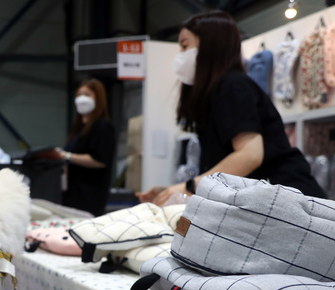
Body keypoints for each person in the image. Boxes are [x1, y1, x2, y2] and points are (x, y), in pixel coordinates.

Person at [137, 11, 326, 206]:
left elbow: (249, 155)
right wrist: (171, 191)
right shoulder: (220, 92)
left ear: (210, 45)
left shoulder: (233, 86)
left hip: (289, 202)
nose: (180, 55)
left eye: (185, 46)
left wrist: (187, 187)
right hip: (272, 202)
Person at [56, 78, 116, 216]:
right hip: (71, 192)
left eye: (87, 95)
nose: (81, 99)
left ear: (98, 98)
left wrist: (67, 156)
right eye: (79, 95)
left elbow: (100, 160)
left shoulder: (103, 127)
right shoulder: (78, 129)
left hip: (88, 195)